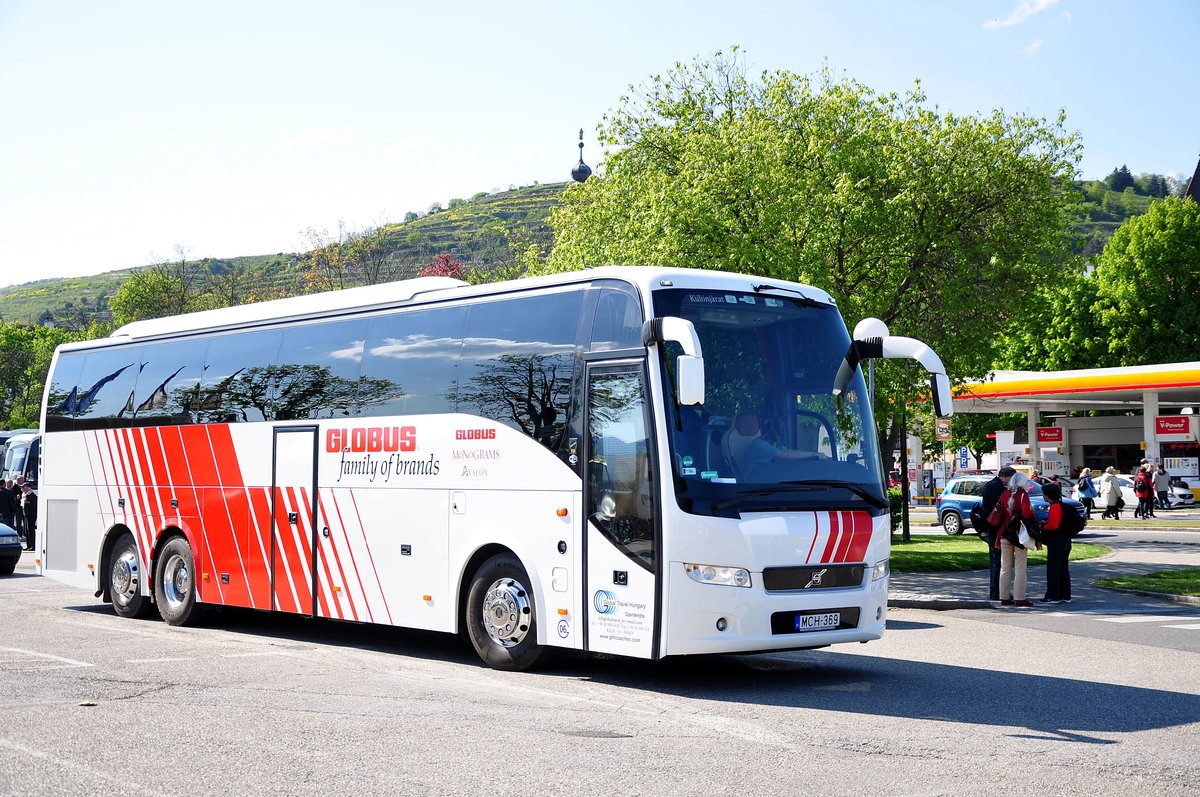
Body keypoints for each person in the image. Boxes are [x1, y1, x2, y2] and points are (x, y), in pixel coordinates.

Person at [994, 471, 1039, 607]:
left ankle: (1004, 596)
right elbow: (1026, 513)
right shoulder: (1023, 495)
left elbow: (1000, 514)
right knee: (1020, 568)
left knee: (1005, 567)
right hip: (1019, 535)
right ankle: (1019, 597)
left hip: (1004, 533)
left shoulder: (1004, 494)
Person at [975, 465, 1015, 601]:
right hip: (994, 528)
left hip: (990, 526)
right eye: (1011, 478)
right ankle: (996, 591)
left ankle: (996, 590)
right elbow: (999, 508)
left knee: (996, 559)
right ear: (1006, 476)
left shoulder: (992, 484)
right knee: (997, 560)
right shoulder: (996, 487)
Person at [1039, 482, 1073, 604]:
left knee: (1053, 568)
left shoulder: (1055, 507)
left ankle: (1053, 595)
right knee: (1063, 567)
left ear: (1048, 495)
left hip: (1056, 540)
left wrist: (1044, 524)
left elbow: (1053, 525)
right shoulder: (1062, 505)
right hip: (1065, 539)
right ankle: (1065, 594)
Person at [20, 482, 36, 551]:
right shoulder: (24, 494)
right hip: (26, 514)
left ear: (27, 488)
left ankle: (33, 546)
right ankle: (28, 545)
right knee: (26, 531)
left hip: (31, 515)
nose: (22, 489)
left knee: (31, 530)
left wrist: (28, 502)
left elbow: (35, 505)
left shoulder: (32, 495)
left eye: (23, 487)